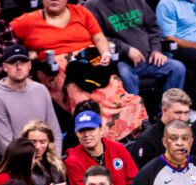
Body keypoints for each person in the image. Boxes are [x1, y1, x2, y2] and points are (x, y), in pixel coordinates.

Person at [10, 0, 147, 140]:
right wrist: (26, 53)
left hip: (90, 61)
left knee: (117, 92)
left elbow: (99, 37)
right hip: (56, 69)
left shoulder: (81, 12)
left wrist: (105, 53)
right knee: (80, 96)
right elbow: (4, 34)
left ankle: (125, 138)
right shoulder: (28, 21)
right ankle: (93, 137)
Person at [84, 0, 187, 96]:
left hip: (148, 58)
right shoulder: (93, 5)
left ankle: (168, 111)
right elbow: (98, 37)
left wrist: (156, 50)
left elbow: (153, 27)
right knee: (124, 74)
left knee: (177, 68)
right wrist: (126, 49)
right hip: (121, 61)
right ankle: (136, 113)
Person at [0, 44, 64, 157]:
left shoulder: (40, 90)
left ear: (29, 65)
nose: (19, 67)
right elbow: (6, 147)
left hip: (47, 162)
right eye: (13, 63)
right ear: (5, 67)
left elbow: (55, 133)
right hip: (19, 168)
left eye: (23, 62)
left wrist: (55, 162)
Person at [65, 110, 138, 185]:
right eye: (82, 131)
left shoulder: (118, 149)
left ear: (101, 130)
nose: (87, 134)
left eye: (91, 129)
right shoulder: (73, 161)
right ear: (76, 134)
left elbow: (134, 181)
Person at [125, 88, 192, 165]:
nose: (183, 118)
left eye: (186, 112)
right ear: (164, 110)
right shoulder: (148, 141)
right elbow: (145, 175)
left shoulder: (190, 134)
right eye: (178, 113)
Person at [0, 138, 67, 185]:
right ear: (25, 161)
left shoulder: (14, 176)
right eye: (33, 158)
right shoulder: (3, 180)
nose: (35, 161)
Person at [21, 119, 69, 185]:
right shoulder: (21, 166)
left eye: (42, 142)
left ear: (49, 142)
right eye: (33, 142)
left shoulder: (57, 163)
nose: (37, 147)